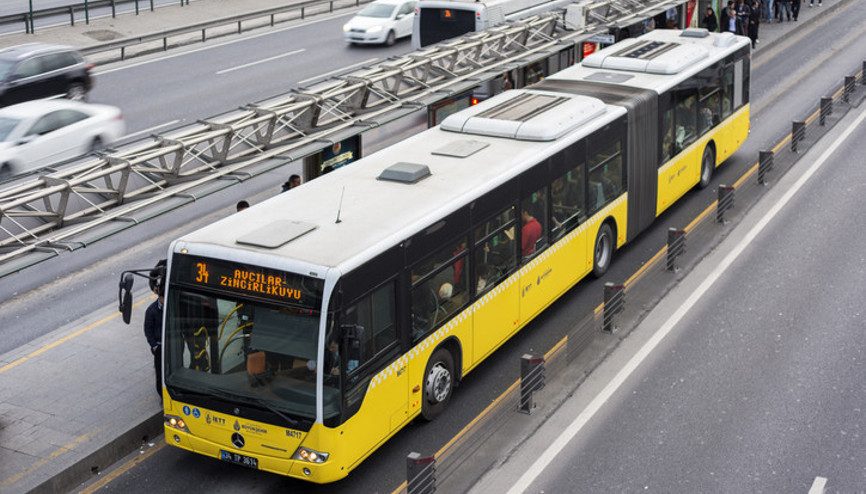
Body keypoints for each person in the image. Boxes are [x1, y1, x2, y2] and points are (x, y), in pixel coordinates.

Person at [143, 263, 165, 397]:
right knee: (160, 371)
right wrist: (154, 346)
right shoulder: (152, 311)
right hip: (159, 346)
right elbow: (148, 330)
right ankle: (162, 395)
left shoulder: (171, 307)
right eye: (162, 298)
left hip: (172, 345)